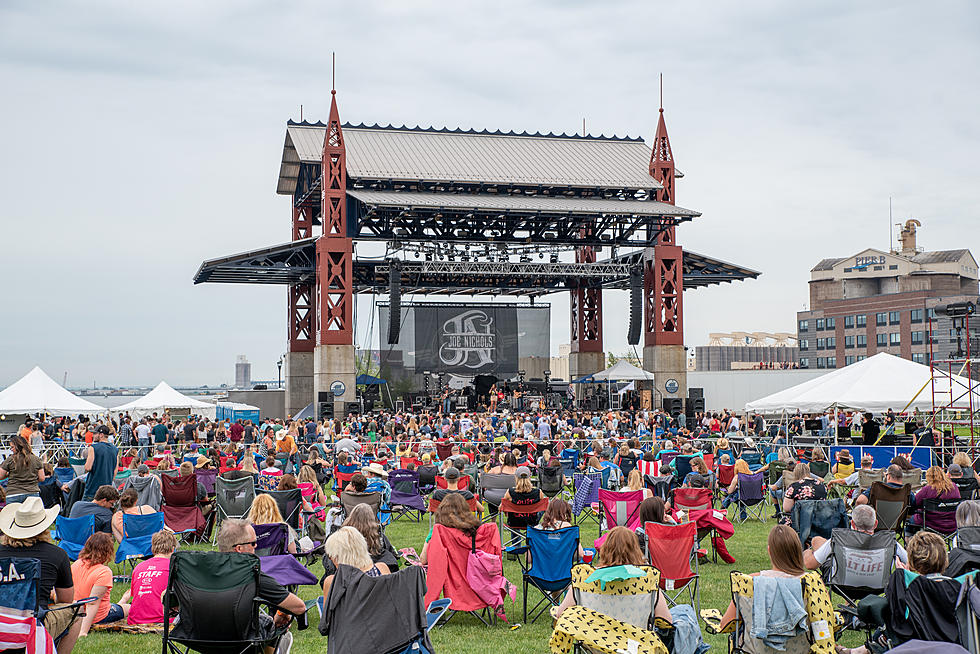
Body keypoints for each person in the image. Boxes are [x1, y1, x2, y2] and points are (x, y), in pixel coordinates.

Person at [0, 497, 80, 654]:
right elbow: (66, 600)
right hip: (31, 626)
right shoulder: (57, 555)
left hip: (2, 621)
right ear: (44, 527)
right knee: (78, 610)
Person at [216, 519, 307, 654]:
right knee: (268, 622)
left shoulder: (200, 570)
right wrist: (282, 613)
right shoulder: (250, 573)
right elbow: (299, 607)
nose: (256, 546)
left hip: (198, 636)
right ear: (239, 549)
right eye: (253, 543)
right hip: (241, 639)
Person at [553, 526, 672, 622]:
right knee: (683, 612)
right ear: (636, 550)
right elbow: (666, 620)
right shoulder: (646, 580)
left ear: (605, 549)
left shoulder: (585, 579)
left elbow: (561, 615)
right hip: (636, 643)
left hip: (594, 644)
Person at [713, 525, 808, 629]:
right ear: (799, 550)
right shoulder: (812, 582)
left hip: (756, 644)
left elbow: (726, 623)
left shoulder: (750, 582)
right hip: (802, 644)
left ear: (770, 551)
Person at [802, 504, 908, 570]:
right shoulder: (890, 542)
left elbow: (810, 565)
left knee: (817, 542)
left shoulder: (838, 539)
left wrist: (807, 551)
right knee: (818, 541)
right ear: (875, 524)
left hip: (842, 585)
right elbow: (913, 563)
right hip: (879, 586)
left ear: (852, 524)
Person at [71, 532, 130, 634]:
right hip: (97, 616)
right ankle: (123, 601)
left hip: (75, 612)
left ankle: (122, 601)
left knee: (115, 606)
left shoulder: (76, 564)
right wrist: (83, 631)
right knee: (131, 608)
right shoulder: (104, 572)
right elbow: (92, 603)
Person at [121, 529, 177, 625]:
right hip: (163, 618)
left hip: (135, 619)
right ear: (172, 549)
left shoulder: (139, 567)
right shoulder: (174, 566)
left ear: (153, 548)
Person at [320, 526, 391, 597]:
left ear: (337, 557)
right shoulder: (382, 569)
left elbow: (329, 608)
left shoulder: (333, 582)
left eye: (330, 556)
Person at [419, 492, 480, 565]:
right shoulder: (475, 529)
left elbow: (423, 560)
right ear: (466, 509)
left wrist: (427, 540)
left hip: (447, 573)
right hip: (471, 572)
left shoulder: (438, 530)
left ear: (441, 510)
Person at [909, 465, 960, 532]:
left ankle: (908, 540)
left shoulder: (927, 489)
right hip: (952, 524)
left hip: (931, 524)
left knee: (911, 519)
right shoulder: (954, 487)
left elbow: (915, 503)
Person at [0, 434, 45, 503]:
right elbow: (42, 478)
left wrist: (9, 474)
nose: (11, 449)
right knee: (31, 514)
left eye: (12, 447)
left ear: (18, 446)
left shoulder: (10, 460)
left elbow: (0, 476)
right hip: (32, 493)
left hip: (13, 493)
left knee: (12, 513)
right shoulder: (36, 459)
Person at [82, 426, 119, 501]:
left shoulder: (93, 448)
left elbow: (88, 468)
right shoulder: (115, 449)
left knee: (86, 510)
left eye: (95, 434)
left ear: (101, 435)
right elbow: (115, 471)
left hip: (93, 488)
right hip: (107, 489)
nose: (93, 436)